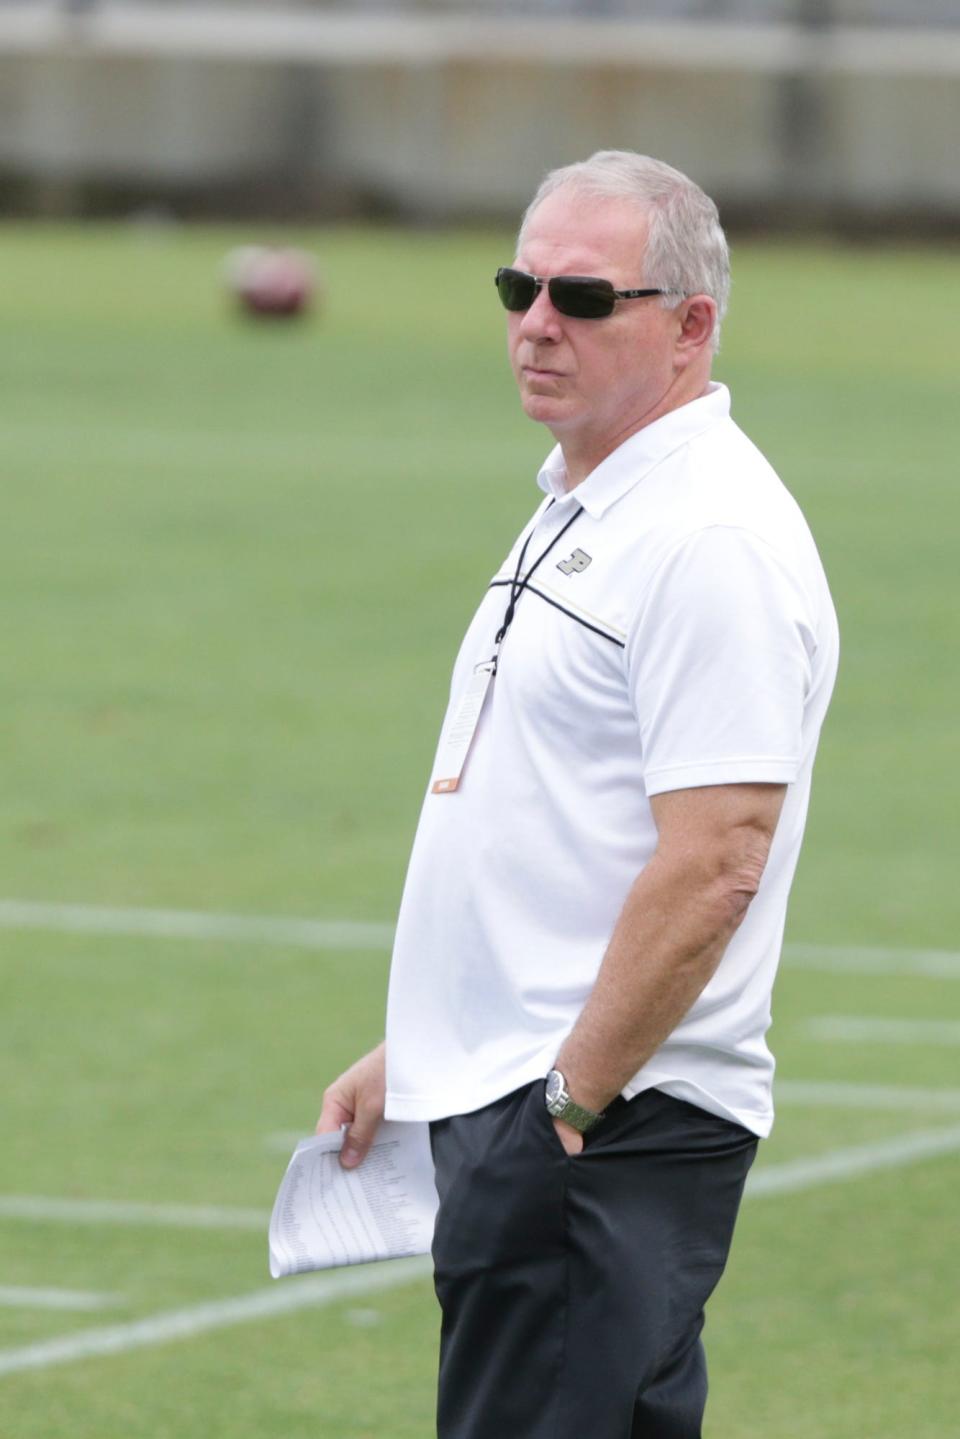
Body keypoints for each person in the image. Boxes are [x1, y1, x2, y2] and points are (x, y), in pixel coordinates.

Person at [317, 150, 838, 1438]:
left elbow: (720, 857)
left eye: (585, 297)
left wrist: (564, 1103)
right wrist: (430, 1043)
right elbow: (555, 816)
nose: (537, 323)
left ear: (690, 324)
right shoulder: (589, 497)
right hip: (535, 1098)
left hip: (605, 1122)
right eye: (519, 286)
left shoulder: (708, 536)